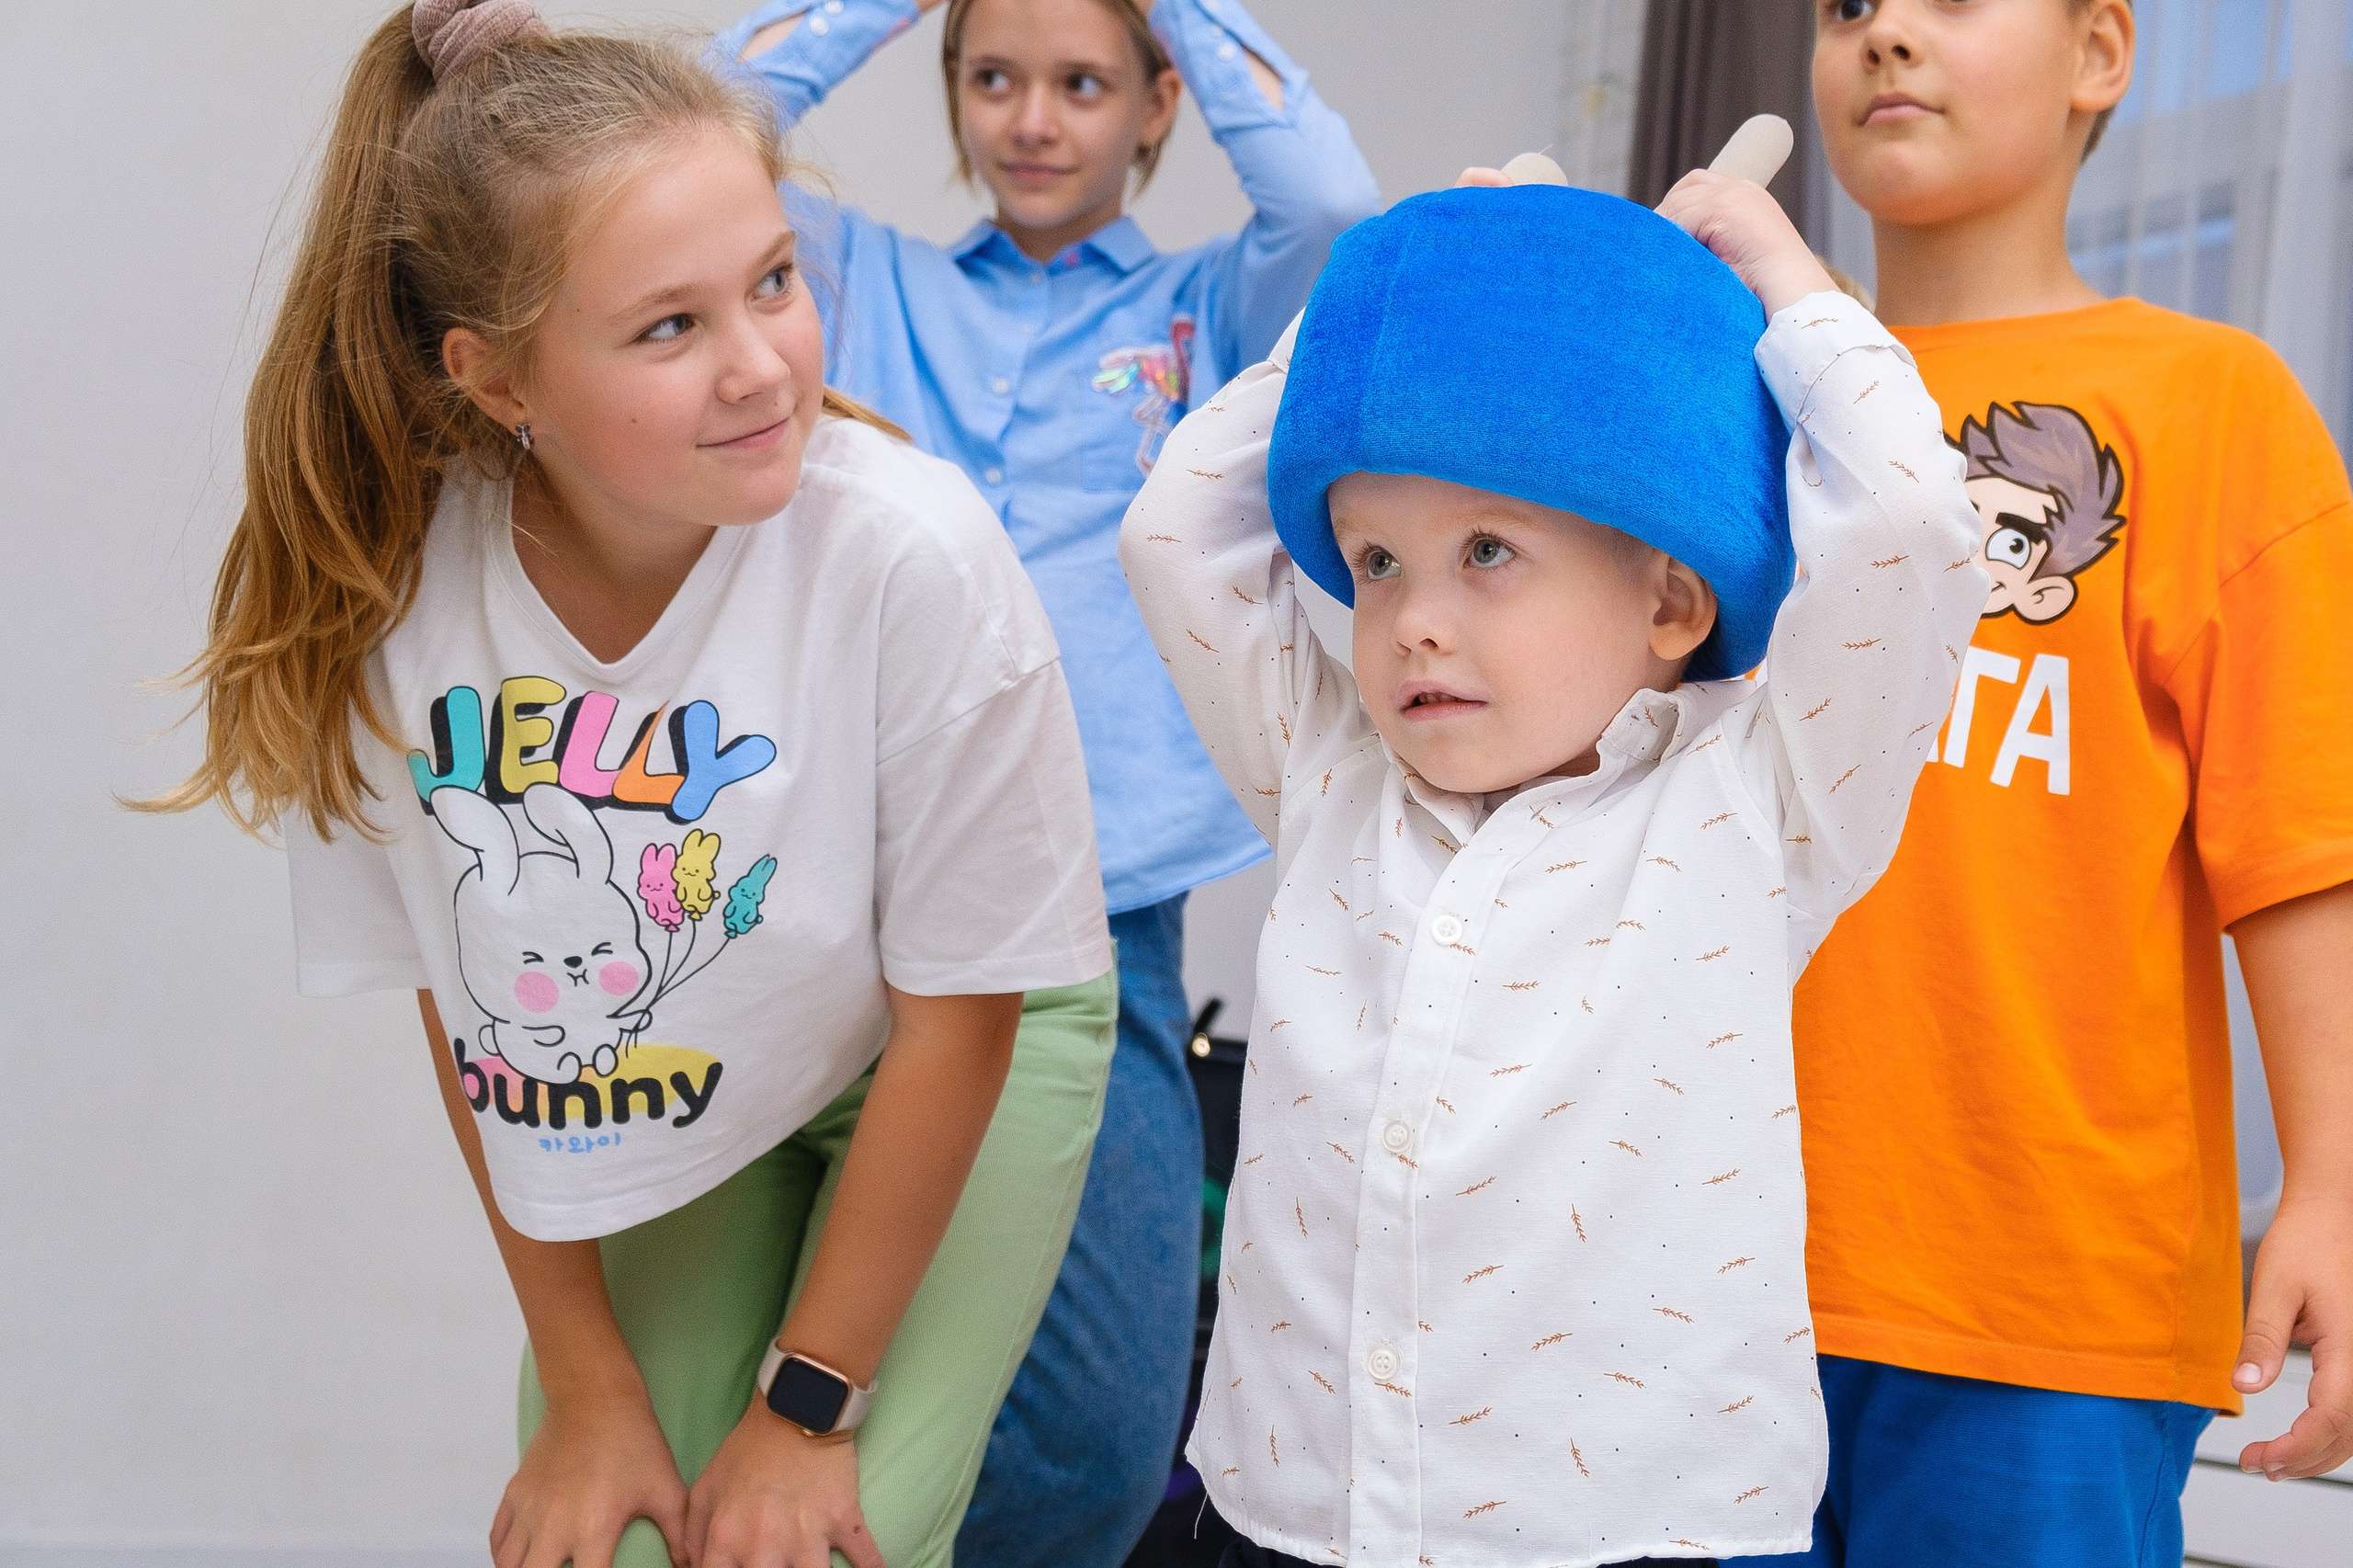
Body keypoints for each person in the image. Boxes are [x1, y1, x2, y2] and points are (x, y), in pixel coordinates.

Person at [148, 4, 1117, 1565]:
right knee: (616, 1538)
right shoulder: (403, 603)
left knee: (817, 1539)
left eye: (774, 283)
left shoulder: (912, 555)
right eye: (669, 328)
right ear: (496, 381)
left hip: (952, 1028)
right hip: (678, 1050)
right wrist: (589, 1386)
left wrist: (806, 1409)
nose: (761, 366)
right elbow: (472, 1001)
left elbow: (962, 1016)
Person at [1118, 152, 1988, 1567]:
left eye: (1487, 552)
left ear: (1671, 599)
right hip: (1302, 1510)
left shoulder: (1757, 804)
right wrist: (1398, 299)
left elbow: (1908, 524)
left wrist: (1784, 281)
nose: (1414, 618)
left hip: (1614, 1529)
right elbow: (1174, 530)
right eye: (1376, 561)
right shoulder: (1335, 771)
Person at [713, 0, 1381, 1558]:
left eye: (1082, 83)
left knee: (1094, 1434)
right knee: (777, 1374)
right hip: (835, 902)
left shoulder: (1212, 307)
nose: (1030, 119)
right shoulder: (858, 283)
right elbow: (701, 124)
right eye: (994, 76)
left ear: (1158, 105)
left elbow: (1331, 199)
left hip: (1097, 920)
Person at [1721, 3, 2353, 1563]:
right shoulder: (1741, 392)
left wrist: (2334, 1185)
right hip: (1700, 1273)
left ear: (2099, 55)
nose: (1885, 35)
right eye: (1847, 6)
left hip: (2051, 1298)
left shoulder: (2214, 401)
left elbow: (2299, 847)